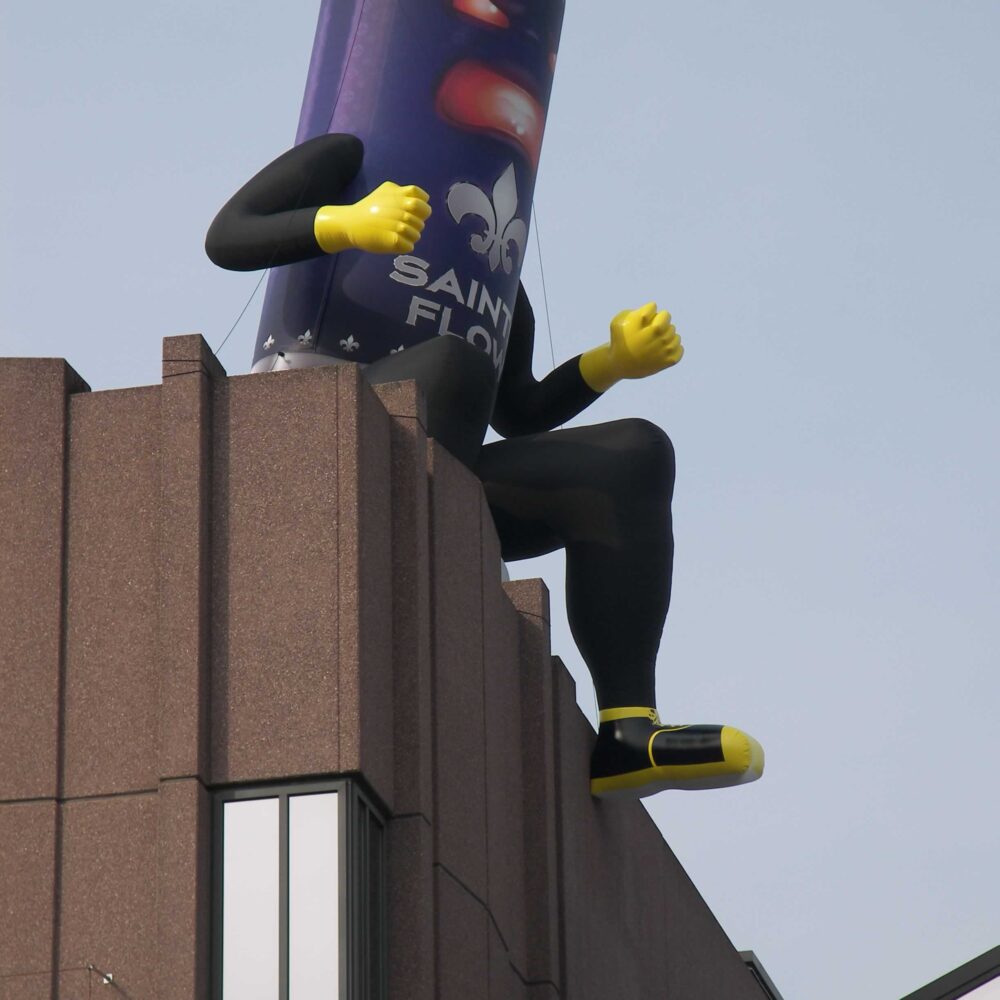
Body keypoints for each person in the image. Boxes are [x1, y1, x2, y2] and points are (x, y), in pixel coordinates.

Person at [207, 133, 764, 798]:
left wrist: (611, 362)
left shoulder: (487, 267)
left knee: (632, 457)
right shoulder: (348, 158)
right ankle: (392, 565)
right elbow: (228, 236)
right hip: (308, 441)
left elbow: (520, 410)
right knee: (452, 364)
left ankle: (628, 733)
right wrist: (347, 221)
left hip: (440, 470)